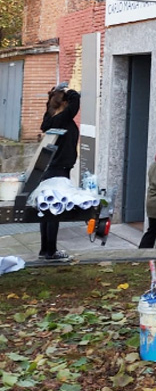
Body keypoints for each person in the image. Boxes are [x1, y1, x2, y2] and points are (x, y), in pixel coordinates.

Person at [38, 83, 80, 261]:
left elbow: (47, 116)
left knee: (47, 210)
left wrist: (55, 93)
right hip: (60, 169)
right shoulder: (63, 118)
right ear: (63, 103)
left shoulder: (49, 119)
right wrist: (67, 90)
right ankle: (51, 251)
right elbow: (76, 99)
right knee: (55, 210)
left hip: (48, 167)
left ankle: (44, 249)